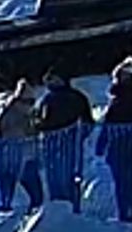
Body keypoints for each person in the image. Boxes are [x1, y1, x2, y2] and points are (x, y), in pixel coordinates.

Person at [99, 60, 132, 223]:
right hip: (121, 144)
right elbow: (108, 122)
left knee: (130, 180)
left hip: (128, 142)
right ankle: (125, 212)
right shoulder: (118, 96)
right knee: (123, 181)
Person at [35, 70, 95, 206]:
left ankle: (71, 204)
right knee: (53, 174)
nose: (51, 83)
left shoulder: (75, 97)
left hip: (70, 141)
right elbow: (38, 120)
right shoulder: (45, 99)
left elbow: (87, 120)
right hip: (50, 142)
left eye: (54, 79)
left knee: (70, 173)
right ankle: (57, 203)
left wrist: (80, 135)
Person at [0, 81, 42, 210]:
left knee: (30, 188)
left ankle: (26, 208)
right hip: (15, 155)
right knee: (13, 183)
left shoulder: (24, 114)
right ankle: (7, 208)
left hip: (25, 155)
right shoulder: (12, 115)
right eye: (29, 102)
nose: (31, 105)